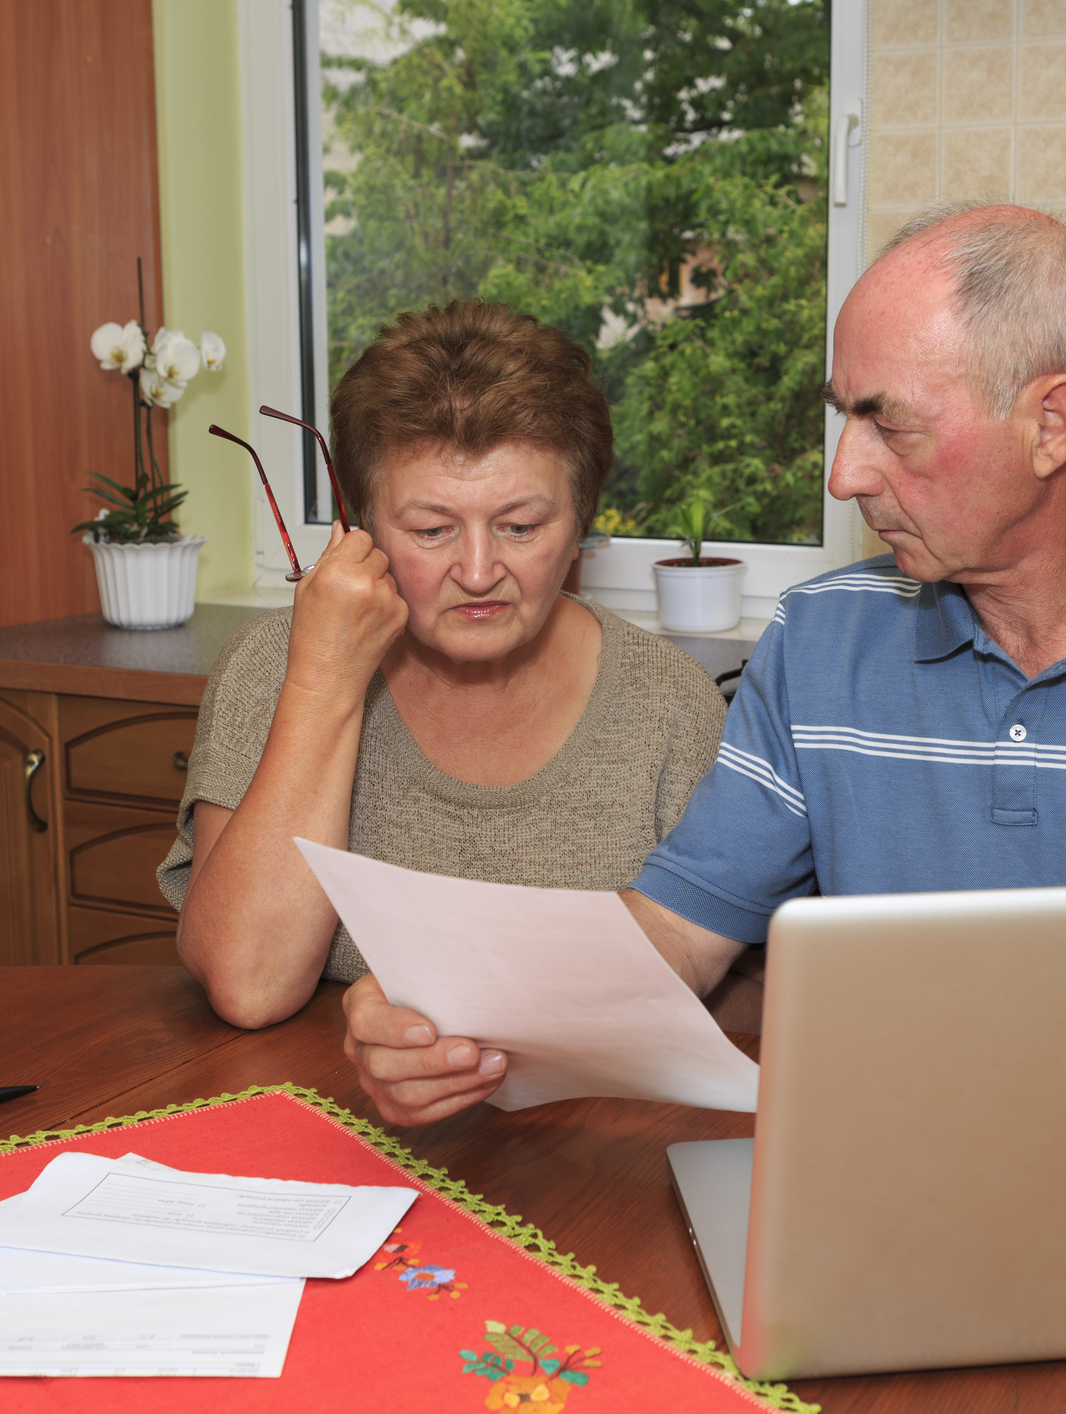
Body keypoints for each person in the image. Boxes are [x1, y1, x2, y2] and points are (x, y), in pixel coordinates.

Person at [344, 202, 1066, 1125]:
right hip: (888, 1194)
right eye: (843, 418)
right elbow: (671, 941)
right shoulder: (821, 642)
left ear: (1052, 424)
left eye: (887, 424)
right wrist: (447, 1010)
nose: (844, 475)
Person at [160, 301, 728, 1032]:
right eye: (431, 530)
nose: (479, 569)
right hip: (323, 1107)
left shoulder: (671, 705)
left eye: (520, 527)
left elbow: (722, 1002)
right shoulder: (275, 665)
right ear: (361, 524)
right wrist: (326, 678)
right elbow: (249, 983)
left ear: (580, 519)